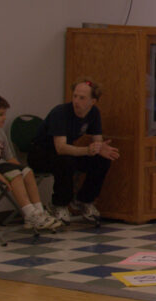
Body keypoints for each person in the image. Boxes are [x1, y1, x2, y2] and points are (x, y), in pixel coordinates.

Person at [29, 79, 120, 224]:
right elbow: (60, 147)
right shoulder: (60, 112)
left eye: (82, 98)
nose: (76, 101)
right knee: (66, 160)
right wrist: (87, 150)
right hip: (41, 154)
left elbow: (97, 139)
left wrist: (100, 148)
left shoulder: (94, 113)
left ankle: (85, 200)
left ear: (93, 101)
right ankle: (59, 204)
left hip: (66, 151)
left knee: (102, 160)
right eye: (75, 96)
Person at [0, 94, 62, 231]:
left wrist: (22, 169)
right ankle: (29, 213)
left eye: (4, 114)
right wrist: (0, 177)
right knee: (14, 174)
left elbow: (9, 158)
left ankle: (38, 212)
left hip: (0, 166)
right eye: (0, 114)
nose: (4, 118)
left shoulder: (0, 132)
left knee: (27, 171)